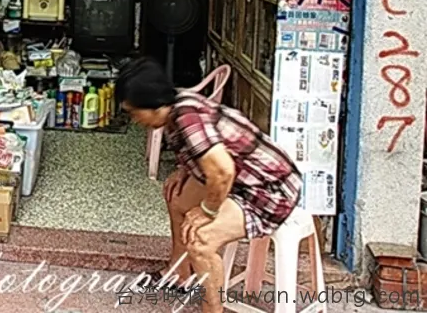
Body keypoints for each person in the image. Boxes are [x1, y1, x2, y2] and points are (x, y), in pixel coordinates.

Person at [116, 58, 301, 313]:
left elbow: (223, 171)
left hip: (267, 192)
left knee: (200, 239)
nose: (135, 119)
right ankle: (179, 273)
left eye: (135, 112)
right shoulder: (177, 107)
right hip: (241, 180)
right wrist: (185, 170)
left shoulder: (186, 117)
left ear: (153, 103)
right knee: (177, 196)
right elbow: (207, 148)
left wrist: (208, 210)